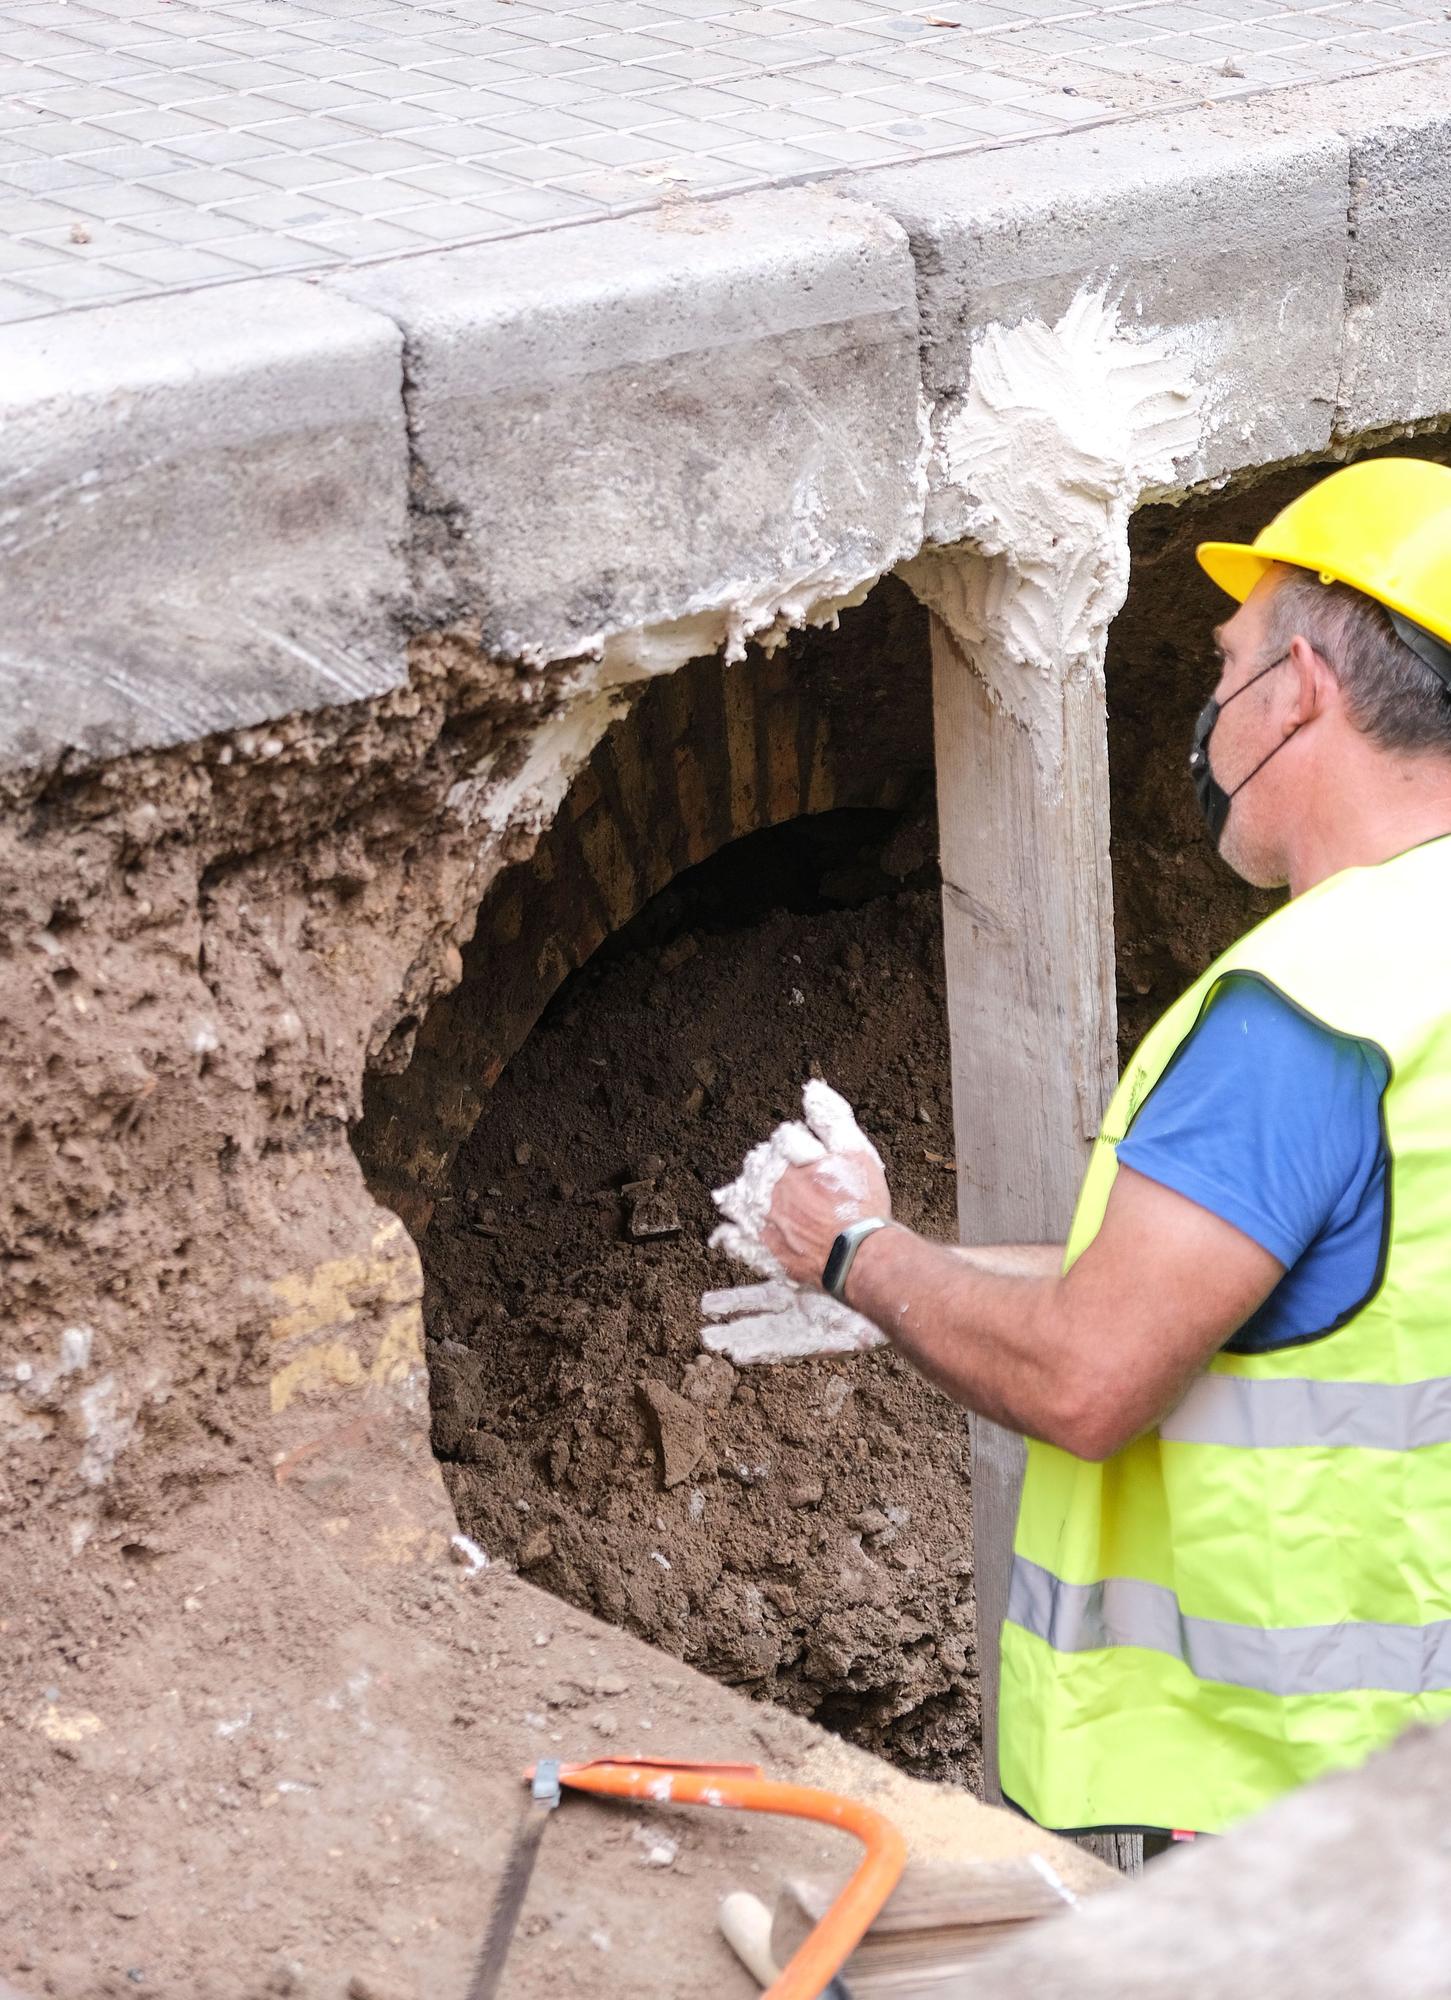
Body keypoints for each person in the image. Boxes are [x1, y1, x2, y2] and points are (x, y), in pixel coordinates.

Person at [763, 456, 1451, 1840]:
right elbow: (1314, 1285)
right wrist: (937, 1273)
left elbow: (1091, 1376)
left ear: (1301, 688)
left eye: (1229, 663)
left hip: (1283, 1804)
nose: (1211, 711)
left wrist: (858, 1256)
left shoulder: (1310, 1010)